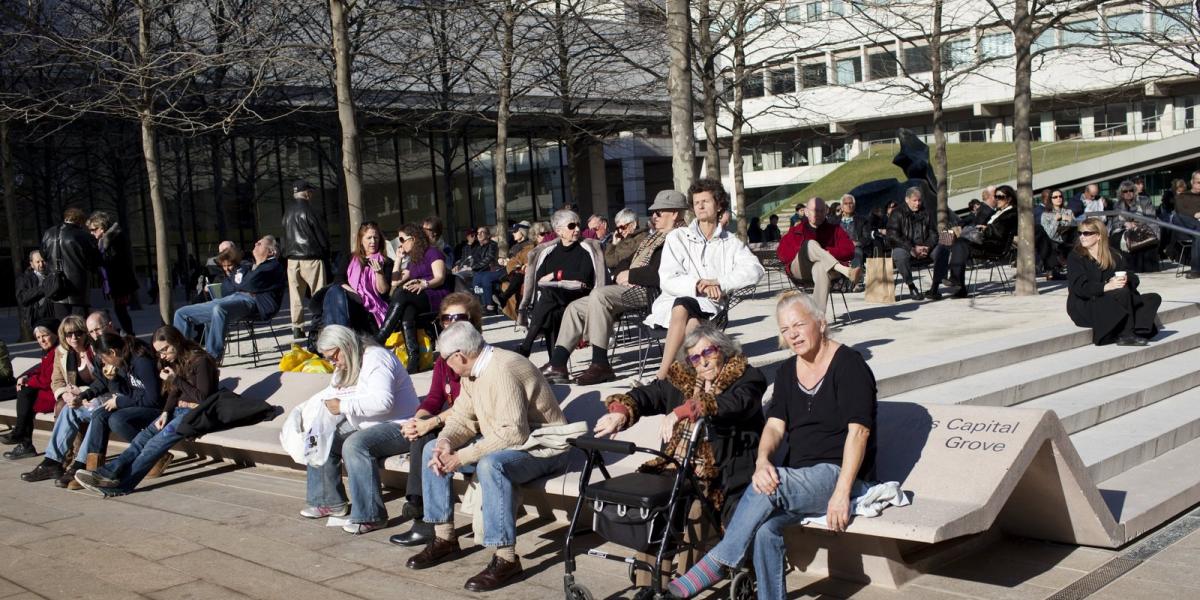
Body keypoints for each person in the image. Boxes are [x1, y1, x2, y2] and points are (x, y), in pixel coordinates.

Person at [667, 292, 877, 600]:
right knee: (766, 529)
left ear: (821, 323)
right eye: (785, 329)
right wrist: (763, 460)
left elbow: (858, 433)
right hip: (798, 477)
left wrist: (843, 492)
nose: (792, 334)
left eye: (798, 325)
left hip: (840, 474)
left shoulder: (849, 365)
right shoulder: (787, 371)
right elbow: (775, 426)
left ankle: (718, 562)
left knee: (770, 485)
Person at [403, 322, 572, 592]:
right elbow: (462, 418)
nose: (447, 367)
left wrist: (460, 457)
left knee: (492, 465)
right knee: (430, 449)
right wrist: (446, 443)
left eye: (446, 361)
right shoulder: (473, 373)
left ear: (459, 356)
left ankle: (506, 559)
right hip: (516, 441)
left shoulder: (503, 369)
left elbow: (513, 434)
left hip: (546, 446)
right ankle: (444, 538)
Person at [595, 322, 766, 586]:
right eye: (695, 358)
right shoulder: (682, 379)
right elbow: (646, 395)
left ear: (721, 349)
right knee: (658, 507)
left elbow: (737, 404)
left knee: (698, 509)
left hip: (723, 472)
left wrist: (686, 410)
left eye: (708, 353)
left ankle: (684, 587)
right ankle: (649, 586)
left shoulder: (746, 377)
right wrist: (620, 411)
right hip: (678, 467)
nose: (703, 362)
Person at [543, 191, 685, 385]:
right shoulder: (654, 237)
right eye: (653, 212)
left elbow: (666, 273)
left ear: (675, 214)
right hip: (631, 288)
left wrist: (632, 275)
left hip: (653, 293)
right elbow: (623, 260)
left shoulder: (679, 238)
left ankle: (600, 364)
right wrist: (621, 274)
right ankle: (557, 365)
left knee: (600, 295)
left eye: (659, 212)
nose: (653, 216)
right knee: (575, 308)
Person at [298, 325, 420, 533]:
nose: (332, 362)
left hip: (402, 425)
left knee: (355, 445)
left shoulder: (376, 358)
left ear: (345, 346)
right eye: (328, 358)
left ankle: (371, 515)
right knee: (320, 435)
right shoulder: (347, 362)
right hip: (367, 424)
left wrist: (342, 406)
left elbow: (383, 403)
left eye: (333, 356)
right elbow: (333, 390)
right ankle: (329, 501)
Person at [73, 325, 221, 497]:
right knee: (140, 440)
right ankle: (105, 473)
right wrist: (166, 412)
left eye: (165, 349)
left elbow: (204, 399)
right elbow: (174, 392)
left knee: (153, 445)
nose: (161, 356)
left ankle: (122, 486)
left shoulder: (200, 361)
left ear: (177, 342)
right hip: (177, 412)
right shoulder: (177, 360)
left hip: (196, 414)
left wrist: (176, 381)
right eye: (159, 352)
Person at [389, 293, 483, 548]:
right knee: (421, 433)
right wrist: (417, 419)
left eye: (459, 317)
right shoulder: (444, 358)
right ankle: (421, 512)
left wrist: (431, 423)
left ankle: (422, 515)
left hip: (477, 426)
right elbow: (432, 398)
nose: (451, 323)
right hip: (455, 423)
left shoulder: (475, 356)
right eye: (446, 318)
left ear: (473, 321)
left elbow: (470, 407)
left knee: (429, 439)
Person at [649, 178, 763, 381]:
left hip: (710, 305)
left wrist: (720, 282)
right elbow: (666, 278)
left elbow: (755, 269)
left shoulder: (731, 243)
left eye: (706, 201)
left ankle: (665, 378)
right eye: (696, 202)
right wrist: (698, 285)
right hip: (674, 303)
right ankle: (669, 377)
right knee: (683, 306)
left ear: (719, 205)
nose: (700, 206)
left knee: (692, 319)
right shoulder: (678, 237)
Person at [21, 332, 161, 486]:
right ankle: (56, 462)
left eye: (103, 357)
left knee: (111, 418)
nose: (101, 361)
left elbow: (152, 399)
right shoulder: (116, 359)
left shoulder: (141, 362)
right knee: (74, 410)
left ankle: (84, 466)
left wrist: (119, 401)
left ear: (112, 352)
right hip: (128, 402)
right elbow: (101, 383)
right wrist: (82, 396)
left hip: (150, 407)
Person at [173, 235, 286, 362]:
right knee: (181, 313)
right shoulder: (249, 265)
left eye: (259, 244)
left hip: (253, 303)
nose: (255, 244)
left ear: (270, 251)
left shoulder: (273, 266)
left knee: (219, 309)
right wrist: (240, 280)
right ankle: (180, 359)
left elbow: (250, 283)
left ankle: (211, 358)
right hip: (233, 299)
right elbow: (226, 289)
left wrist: (240, 281)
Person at [515, 209, 603, 358]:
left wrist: (557, 275)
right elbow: (540, 277)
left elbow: (584, 276)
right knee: (551, 311)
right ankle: (555, 363)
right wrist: (556, 280)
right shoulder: (550, 252)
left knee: (548, 298)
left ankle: (527, 345)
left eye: (578, 225)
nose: (576, 229)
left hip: (579, 297)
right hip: (556, 300)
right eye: (571, 226)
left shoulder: (585, 250)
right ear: (559, 231)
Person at [1067, 218, 1160, 347]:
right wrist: (1106, 286)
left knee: (1153, 298)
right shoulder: (1076, 257)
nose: (1082, 237)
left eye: (1087, 233)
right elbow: (1079, 288)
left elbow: (1133, 277)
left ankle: (1137, 330)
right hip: (1086, 304)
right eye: (1080, 233)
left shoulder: (1113, 254)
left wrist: (1125, 279)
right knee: (1122, 293)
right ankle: (1126, 334)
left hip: (1112, 299)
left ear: (1099, 236)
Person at [376, 223, 452, 371]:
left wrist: (424, 284)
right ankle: (414, 359)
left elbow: (440, 278)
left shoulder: (433, 252)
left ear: (414, 239)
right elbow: (395, 281)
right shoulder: (414, 261)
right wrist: (398, 259)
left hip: (436, 295)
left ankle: (381, 337)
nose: (400, 243)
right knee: (407, 309)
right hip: (419, 297)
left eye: (402, 239)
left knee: (402, 294)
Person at [776, 197, 858, 314]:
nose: (817, 214)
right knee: (810, 244)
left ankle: (818, 317)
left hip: (827, 272)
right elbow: (782, 254)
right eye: (814, 210)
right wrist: (805, 252)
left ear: (826, 211)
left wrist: (829, 252)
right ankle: (846, 271)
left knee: (820, 267)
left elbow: (850, 250)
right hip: (800, 269)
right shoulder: (796, 230)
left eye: (820, 211)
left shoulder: (834, 229)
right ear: (806, 211)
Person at [316, 222, 393, 334]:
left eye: (376, 237)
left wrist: (379, 273)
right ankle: (336, 336)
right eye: (369, 238)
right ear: (361, 240)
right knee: (335, 291)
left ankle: (339, 336)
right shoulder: (350, 258)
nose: (373, 241)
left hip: (373, 306)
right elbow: (339, 280)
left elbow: (383, 292)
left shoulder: (386, 262)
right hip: (352, 299)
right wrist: (355, 295)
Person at [1, 323, 59, 460]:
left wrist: (28, 381)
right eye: (38, 337)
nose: (41, 340)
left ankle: (22, 439)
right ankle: (22, 439)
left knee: (26, 397)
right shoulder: (48, 351)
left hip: (56, 393)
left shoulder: (58, 351)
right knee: (25, 395)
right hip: (49, 390)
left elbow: (46, 379)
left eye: (44, 336)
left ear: (55, 334)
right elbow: (41, 369)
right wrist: (28, 376)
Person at [283, 180, 331, 340]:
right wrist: (326, 253)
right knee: (319, 294)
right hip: (311, 258)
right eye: (311, 192)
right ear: (307, 193)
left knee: (295, 296)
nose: (312, 194)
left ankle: (297, 328)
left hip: (292, 259)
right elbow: (321, 236)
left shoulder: (287, 212)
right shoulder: (311, 211)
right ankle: (319, 325)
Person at [40, 207, 101, 318]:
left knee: (62, 325)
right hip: (78, 288)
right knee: (79, 324)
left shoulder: (48, 233)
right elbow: (95, 261)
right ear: (80, 221)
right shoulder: (84, 236)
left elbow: (44, 255)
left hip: (56, 287)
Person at [87, 211, 139, 335]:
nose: (92, 232)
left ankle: (130, 336)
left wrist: (97, 257)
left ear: (102, 227)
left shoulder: (115, 238)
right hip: (115, 281)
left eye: (94, 229)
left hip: (120, 281)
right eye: (90, 230)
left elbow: (114, 260)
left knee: (120, 311)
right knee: (119, 310)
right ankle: (128, 335)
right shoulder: (105, 240)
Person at [886, 187, 940, 300]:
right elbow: (892, 235)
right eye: (914, 200)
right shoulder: (897, 213)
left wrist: (927, 247)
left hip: (925, 247)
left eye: (919, 200)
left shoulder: (927, 212)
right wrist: (912, 248)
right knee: (899, 255)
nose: (918, 203)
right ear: (907, 200)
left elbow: (934, 233)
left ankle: (935, 287)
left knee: (942, 250)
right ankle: (911, 286)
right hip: (906, 247)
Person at [1109, 179, 1160, 273]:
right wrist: (1124, 224)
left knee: (1141, 237)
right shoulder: (1117, 204)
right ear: (1121, 193)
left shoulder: (1144, 200)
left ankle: (1143, 268)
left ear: (1134, 191)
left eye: (1131, 190)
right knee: (1116, 239)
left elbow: (1151, 217)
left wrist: (1137, 224)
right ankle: (1125, 267)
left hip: (1143, 227)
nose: (1128, 193)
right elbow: (1115, 222)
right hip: (1124, 229)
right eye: (1125, 191)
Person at [496, 222, 536, 320]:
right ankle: (501, 302)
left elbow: (524, 261)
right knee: (494, 281)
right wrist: (504, 260)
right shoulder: (515, 246)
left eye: (515, 232)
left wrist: (509, 263)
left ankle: (505, 301)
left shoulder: (529, 245)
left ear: (522, 232)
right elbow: (514, 259)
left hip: (523, 272)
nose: (513, 234)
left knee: (513, 280)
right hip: (511, 271)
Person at [468, 226, 505, 314]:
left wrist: (474, 267)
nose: (479, 234)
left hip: (490, 269)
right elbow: (472, 259)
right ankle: (480, 305)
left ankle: (489, 306)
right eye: (478, 233)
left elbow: (489, 258)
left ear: (488, 235)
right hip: (480, 270)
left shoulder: (492, 245)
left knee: (482, 278)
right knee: (473, 279)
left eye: (482, 232)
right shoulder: (477, 247)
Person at [16, 250, 54, 334]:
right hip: (38, 317)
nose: (41, 264)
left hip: (55, 315)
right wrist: (43, 288)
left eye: (43, 261)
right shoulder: (24, 279)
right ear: (32, 264)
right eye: (38, 262)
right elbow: (22, 298)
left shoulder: (53, 275)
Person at [1041, 188, 1076, 279]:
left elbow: (1077, 227)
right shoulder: (1046, 215)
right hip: (1054, 241)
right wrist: (1055, 221)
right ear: (1050, 200)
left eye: (1060, 196)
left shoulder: (1068, 212)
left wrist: (1071, 220)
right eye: (1055, 197)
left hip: (1069, 239)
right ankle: (1055, 269)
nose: (1058, 198)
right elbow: (1049, 234)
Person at [1172, 169, 1200, 279]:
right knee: (1177, 216)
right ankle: (1197, 269)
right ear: (1192, 182)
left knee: (1198, 234)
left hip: (1196, 231)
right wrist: (1194, 214)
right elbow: (1180, 212)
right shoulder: (1182, 196)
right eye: (1198, 182)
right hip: (1185, 229)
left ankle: (1196, 270)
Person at [603, 209, 649, 273]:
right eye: (617, 228)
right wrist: (614, 244)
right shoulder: (623, 239)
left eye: (622, 227)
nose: (620, 231)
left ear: (633, 225)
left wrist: (614, 245)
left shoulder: (641, 238)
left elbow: (611, 262)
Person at [837, 194, 868, 274]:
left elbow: (866, 237)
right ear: (841, 206)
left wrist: (857, 243)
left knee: (857, 252)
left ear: (854, 205)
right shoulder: (834, 221)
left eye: (851, 203)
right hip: (838, 247)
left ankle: (855, 279)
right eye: (846, 203)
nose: (849, 205)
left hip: (855, 247)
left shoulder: (862, 220)